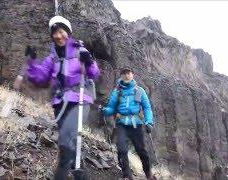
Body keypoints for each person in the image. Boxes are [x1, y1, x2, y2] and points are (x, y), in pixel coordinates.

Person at [13, 16, 100, 179]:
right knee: (70, 147)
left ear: (67, 32)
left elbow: (94, 74)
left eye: (61, 32)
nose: (58, 36)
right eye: (55, 33)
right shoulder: (52, 58)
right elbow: (41, 78)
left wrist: (89, 62)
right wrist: (31, 62)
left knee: (66, 142)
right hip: (60, 103)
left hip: (80, 100)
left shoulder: (80, 50)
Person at [102, 67, 156, 180]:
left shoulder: (138, 91)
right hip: (121, 125)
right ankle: (127, 175)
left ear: (132, 75)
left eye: (128, 73)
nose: (126, 75)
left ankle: (149, 174)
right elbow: (111, 108)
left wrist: (149, 122)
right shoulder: (117, 92)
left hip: (136, 125)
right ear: (121, 76)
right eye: (124, 73)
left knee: (141, 151)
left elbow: (147, 108)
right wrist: (104, 110)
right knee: (121, 149)